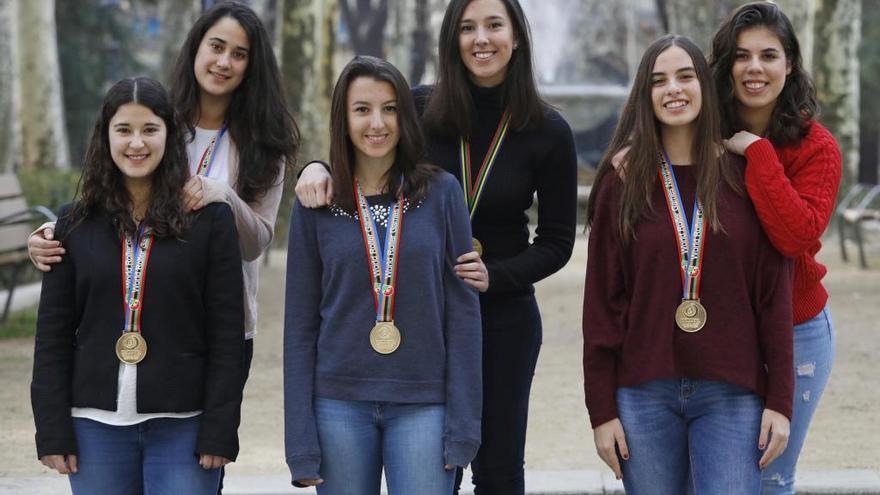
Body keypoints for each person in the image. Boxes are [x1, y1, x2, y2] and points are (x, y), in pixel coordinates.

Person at [295, 2, 577, 492]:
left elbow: (556, 241)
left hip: (500, 316)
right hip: (417, 312)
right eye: (467, 28)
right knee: (435, 466)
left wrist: (498, 274)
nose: (481, 39)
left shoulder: (548, 129)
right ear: (451, 38)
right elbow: (367, 144)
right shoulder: (420, 107)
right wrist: (315, 167)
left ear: (517, 36)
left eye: (494, 25)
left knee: (498, 468)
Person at [27, 0, 297, 382]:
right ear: (196, 48)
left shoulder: (266, 143)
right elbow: (109, 196)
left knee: (211, 439)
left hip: (223, 324)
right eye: (216, 47)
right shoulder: (155, 121)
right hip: (145, 316)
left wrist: (222, 194)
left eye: (239, 55)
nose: (223, 62)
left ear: (253, 66)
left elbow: (255, 243)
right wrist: (53, 233)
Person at [583, 34, 794, 494]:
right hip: (643, 393)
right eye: (659, 80)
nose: (673, 89)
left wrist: (781, 400)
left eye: (685, 76)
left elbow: (773, 294)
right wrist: (601, 410)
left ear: (705, 83)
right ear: (645, 94)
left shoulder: (744, 175)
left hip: (732, 393)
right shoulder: (622, 183)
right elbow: (601, 306)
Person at [30, 77, 244, 495]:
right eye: (123, 130)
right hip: (94, 427)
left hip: (184, 424)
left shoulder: (210, 222)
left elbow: (227, 336)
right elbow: (52, 336)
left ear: (169, 134)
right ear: (105, 136)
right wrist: (52, 428)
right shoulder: (72, 224)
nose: (136, 143)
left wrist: (220, 428)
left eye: (149, 129)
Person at [283, 55, 482, 494]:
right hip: (337, 405)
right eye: (362, 109)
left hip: (425, 405)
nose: (377, 123)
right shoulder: (317, 201)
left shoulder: (442, 193)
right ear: (343, 118)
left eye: (390, 108)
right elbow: (299, 325)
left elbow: (463, 315)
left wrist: (464, 425)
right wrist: (300, 441)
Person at [710, 3, 842, 493]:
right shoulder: (699, 135)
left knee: (770, 477)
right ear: (726, 67)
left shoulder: (816, 147)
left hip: (798, 331)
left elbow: (795, 236)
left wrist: (757, 151)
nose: (754, 68)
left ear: (789, 64)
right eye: (742, 56)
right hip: (719, 332)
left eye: (769, 55)